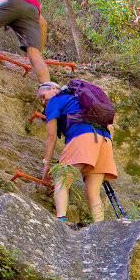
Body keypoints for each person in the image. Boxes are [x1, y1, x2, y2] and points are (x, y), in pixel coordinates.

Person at [37, 81, 118, 224]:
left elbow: (50, 136)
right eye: (41, 100)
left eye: (43, 96)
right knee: (93, 192)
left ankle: (60, 220)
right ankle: (99, 227)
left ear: (53, 89)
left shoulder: (55, 101)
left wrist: (47, 164)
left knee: (61, 179)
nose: (43, 101)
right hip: (105, 139)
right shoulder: (78, 99)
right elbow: (110, 127)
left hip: (83, 136)